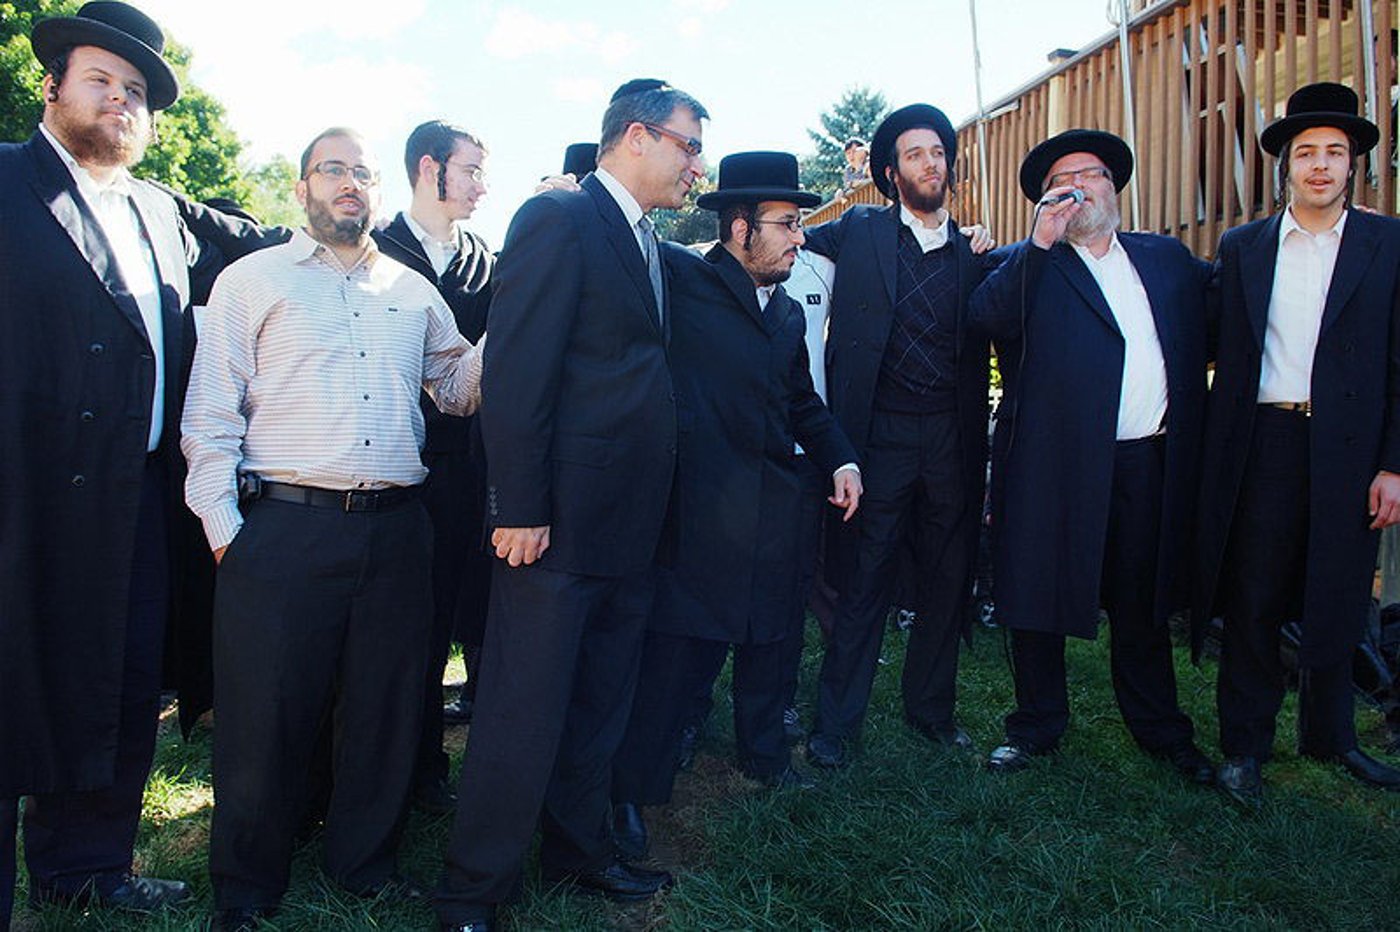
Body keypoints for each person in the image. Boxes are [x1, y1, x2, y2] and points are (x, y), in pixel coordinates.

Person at [0, 4, 280, 927]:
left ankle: (87, 867)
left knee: (121, 687)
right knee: (13, 684)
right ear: (52, 86)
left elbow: (257, 242)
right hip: (25, 494)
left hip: (139, 498)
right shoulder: (5, 181)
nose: (119, 100)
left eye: (136, 92)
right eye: (100, 80)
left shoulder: (161, 210)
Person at [181, 126, 485, 931]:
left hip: (397, 531)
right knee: (264, 715)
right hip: (283, 528)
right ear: (303, 187)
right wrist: (227, 532)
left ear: (379, 191)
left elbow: (457, 389)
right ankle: (246, 888)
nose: (350, 183)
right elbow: (208, 417)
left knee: (385, 710)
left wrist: (516, 311)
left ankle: (364, 866)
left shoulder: (413, 291)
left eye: (363, 173)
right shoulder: (252, 280)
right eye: (333, 170)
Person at [433, 79, 707, 932]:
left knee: (600, 704)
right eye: (689, 146)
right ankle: (473, 892)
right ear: (637, 136)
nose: (697, 166)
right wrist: (518, 505)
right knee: (521, 712)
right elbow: (518, 372)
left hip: (629, 528)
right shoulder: (558, 218)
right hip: (551, 530)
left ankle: (578, 853)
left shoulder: (648, 238)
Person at [609, 152, 862, 858]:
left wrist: (841, 459)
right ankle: (631, 793)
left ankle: (765, 757)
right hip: (693, 516)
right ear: (740, 226)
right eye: (787, 224)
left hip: (776, 510)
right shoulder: (678, 278)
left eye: (800, 224)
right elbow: (615, 242)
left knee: (772, 642)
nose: (800, 237)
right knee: (674, 661)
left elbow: (802, 401)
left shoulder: (785, 311)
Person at [969, 130, 1214, 782]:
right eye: (1063, 181)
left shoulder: (1164, 258)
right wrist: (1040, 242)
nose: (1079, 188)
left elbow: (1229, 308)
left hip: (1146, 463)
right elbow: (985, 318)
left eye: (1092, 174)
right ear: (1045, 200)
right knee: (1039, 598)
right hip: (1053, 468)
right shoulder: (1028, 262)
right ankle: (1034, 727)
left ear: (1114, 187)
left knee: (1142, 605)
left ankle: (1162, 731)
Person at [1194, 82, 1400, 803]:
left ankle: (1331, 737)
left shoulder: (1388, 244)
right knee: (1253, 594)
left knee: (1338, 593)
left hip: (1350, 447)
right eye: (1306, 152)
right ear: (1286, 164)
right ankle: (1244, 748)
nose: (1320, 165)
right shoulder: (1243, 247)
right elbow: (1208, 336)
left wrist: (1393, 464)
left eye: (1334, 153)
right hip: (1266, 442)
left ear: (1352, 166)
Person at [802, 103, 995, 768]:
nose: (930, 163)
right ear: (891, 173)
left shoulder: (973, 252)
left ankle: (932, 711)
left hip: (950, 437)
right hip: (878, 436)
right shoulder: (858, 230)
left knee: (947, 579)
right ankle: (836, 725)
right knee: (865, 581)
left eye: (938, 152)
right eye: (915, 154)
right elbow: (782, 239)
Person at [372, 120, 495, 812]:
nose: (481, 185)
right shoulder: (373, 251)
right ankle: (411, 771)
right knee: (406, 635)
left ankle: (479, 774)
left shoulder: (487, 261)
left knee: (476, 617)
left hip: (473, 471)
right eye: (471, 169)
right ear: (429, 168)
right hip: (394, 470)